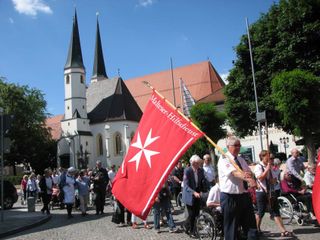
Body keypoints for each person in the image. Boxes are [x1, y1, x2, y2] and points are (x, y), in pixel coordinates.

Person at [218, 136, 258, 240]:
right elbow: (235, 173)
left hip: (244, 195)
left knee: (251, 226)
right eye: (235, 145)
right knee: (231, 229)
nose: (238, 147)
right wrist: (248, 179)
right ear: (228, 147)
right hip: (230, 197)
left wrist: (249, 176)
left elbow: (249, 171)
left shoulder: (240, 159)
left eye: (239, 145)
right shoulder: (224, 158)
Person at [254, 150, 292, 237]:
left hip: (271, 191)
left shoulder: (270, 167)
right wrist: (266, 170)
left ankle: (283, 230)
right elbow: (260, 178)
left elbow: (273, 180)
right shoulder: (258, 167)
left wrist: (273, 180)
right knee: (261, 212)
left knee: (275, 211)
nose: (270, 159)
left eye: (271, 158)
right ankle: (256, 229)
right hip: (261, 192)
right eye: (268, 157)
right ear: (262, 157)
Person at [182, 154, 207, 238]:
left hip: (197, 194)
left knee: (196, 213)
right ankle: (192, 231)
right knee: (192, 214)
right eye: (197, 163)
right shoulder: (187, 171)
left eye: (199, 163)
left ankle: (186, 225)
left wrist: (207, 189)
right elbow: (186, 186)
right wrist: (194, 192)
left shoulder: (200, 170)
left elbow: (203, 181)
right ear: (192, 163)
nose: (198, 164)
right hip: (189, 195)